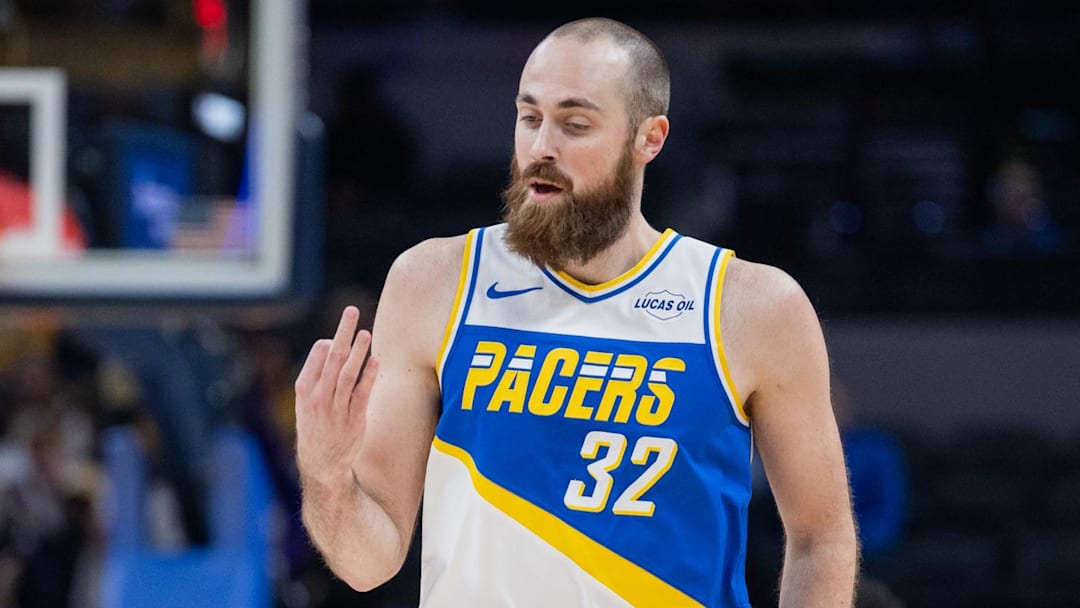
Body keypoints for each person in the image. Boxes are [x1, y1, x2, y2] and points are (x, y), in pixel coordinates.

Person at [296, 17, 857, 607]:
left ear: (649, 138)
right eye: (530, 117)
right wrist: (327, 476)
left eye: (575, 124)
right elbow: (370, 562)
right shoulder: (434, 282)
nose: (542, 147)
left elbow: (821, 538)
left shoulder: (753, 306)